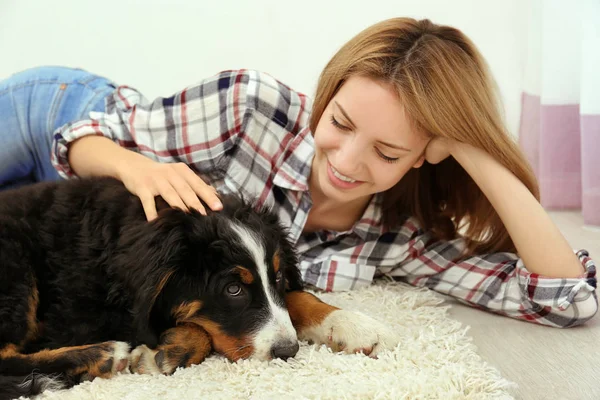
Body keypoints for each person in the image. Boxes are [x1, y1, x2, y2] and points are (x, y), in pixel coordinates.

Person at [0, 18, 596, 328]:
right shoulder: (249, 106)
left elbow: (563, 300)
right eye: (339, 121)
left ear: (425, 154)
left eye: (388, 153)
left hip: (55, 234)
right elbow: (76, 139)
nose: (344, 161)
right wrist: (136, 168)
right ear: (328, 90)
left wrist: (475, 149)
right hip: (57, 114)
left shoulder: (401, 236)